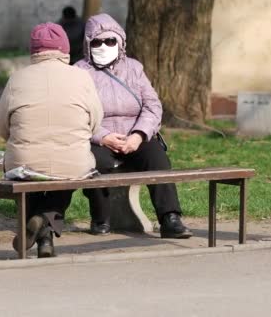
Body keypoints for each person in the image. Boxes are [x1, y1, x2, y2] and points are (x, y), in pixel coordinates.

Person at [75, 13, 193, 239]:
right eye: (97, 42)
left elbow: (152, 105)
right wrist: (103, 136)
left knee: (157, 158)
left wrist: (138, 135)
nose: (103, 46)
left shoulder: (134, 68)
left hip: (134, 134)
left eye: (110, 41)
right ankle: (101, 217)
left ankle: (170, 218)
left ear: (119, 42)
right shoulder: (79, 72)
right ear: (88, 44)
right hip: (98, 137)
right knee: (98, 161)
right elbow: (75, 113)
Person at [0, 22, 103, 258]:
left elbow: (2, 126)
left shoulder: (17, 79)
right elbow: (95, 121)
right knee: (68, 173)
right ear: (65, 49)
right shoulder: (82, 78)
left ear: (33, 50)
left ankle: (37, 227)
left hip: (24, 161)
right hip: (73, 161)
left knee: (26, 172)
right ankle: (44, 227)